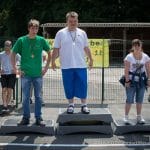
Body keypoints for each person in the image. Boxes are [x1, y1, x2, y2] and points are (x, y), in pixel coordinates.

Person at [11, 19, 51, 126]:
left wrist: (46, 68)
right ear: (28, 28)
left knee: (38, 97)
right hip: (25, 74)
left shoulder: (41, 40)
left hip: (38, 74)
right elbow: (13, 53)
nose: (34, 30)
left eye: (36, 28)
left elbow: (49, 53)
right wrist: (15, 68)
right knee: (25, 98)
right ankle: (26, 118)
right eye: (32, 28)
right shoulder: (21, 40)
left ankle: (38, 118)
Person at [52, 11, 93, 114]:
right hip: (66, 65)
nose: (73, 23)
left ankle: (84, 105)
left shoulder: (82, 33)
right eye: (71, 21)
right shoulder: (60, 33)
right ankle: (71, 105)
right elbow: (56, 49)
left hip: (81, 65)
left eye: (75, 21)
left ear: (77, 21)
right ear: (67, 21)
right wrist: (53, 61)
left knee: (83, 85)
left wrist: (91, 59)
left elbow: (86, 48)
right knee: (69, 86)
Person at [123, 39, 150, 124]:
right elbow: (126, 70)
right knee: (129, 99)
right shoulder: (129, 57)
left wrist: (149, 79)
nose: (137, 47)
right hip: (131, 80)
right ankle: (126, 117)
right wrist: (127, 81)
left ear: (141, 46)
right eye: (135, 45)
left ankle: (139, 116)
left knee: (140, 99)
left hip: (141, 81)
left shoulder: (145, 57)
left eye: (138, 45)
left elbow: (148, 69)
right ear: (133, 47)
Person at [0, 40, 20, 113]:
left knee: (9, 90)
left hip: (12, 74)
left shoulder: (15, 54)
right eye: (5, 45)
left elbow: (21, 61)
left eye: (8, 45)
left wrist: (16, 69)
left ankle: (7, 105)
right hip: (4, 74)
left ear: (11, 46)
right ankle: (5, 106)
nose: (6, 47)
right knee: (4, 89)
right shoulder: (1, 54)